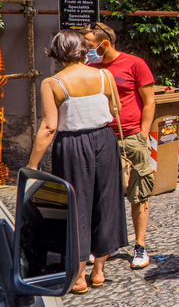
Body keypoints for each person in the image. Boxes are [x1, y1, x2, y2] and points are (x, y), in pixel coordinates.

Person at [28, 30, 128, 293]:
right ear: (84, 50)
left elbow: (49, 127)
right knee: (106, 201)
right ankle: (99, 272)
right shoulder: (105, 75)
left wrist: (33, 165)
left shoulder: (52, 83)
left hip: (72, 145)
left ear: (57, 52)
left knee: (76, 205)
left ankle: (80, 276)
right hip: (105, 140)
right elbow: (114, 110)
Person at [82, 22, 155, 270]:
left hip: (132, 137)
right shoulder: (91, 68)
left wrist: (143, 133)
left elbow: (150, 100)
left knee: (138, 192)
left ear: (105, 43)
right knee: (101, 194)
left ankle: (140, 245)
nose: (87, 50)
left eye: (90, 46)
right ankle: (103, 245)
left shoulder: (135, 64)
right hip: (102, 137)